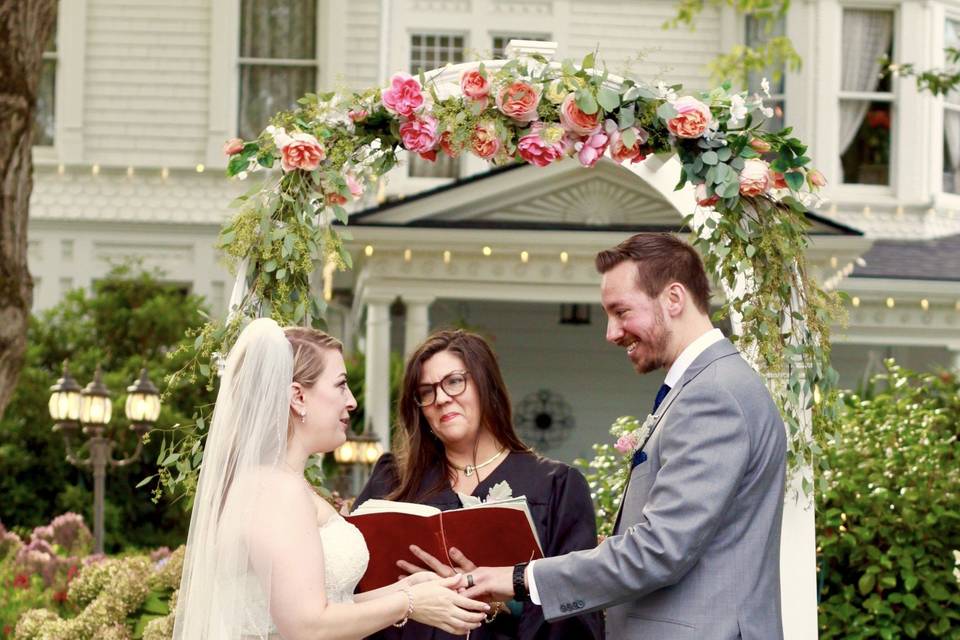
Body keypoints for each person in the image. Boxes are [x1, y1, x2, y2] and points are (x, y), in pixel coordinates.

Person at [463, 233, 787, 640]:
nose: (612, 333)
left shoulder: (712, 393)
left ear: (673, 298)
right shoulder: (709, 384)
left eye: (621, 312)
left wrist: (520, 578)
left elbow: (659, 550)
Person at [173, 319, 489, 639]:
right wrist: (408, 603)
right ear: (298, 397)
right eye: (340, 385)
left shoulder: (283, 483)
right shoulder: (275, 491)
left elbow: (322, 606)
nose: (351, 401)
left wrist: (406, 589)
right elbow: (306, 627)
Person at [353, 329, 603, 640]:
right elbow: (350, 589)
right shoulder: (394, 480)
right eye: (426, 391)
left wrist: (502, 601)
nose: (441, 399)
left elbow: (578, 608)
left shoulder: (555, 487)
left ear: (486, 385)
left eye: (455, 381)